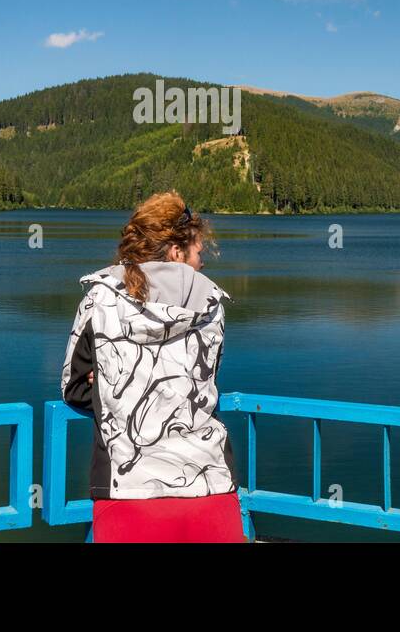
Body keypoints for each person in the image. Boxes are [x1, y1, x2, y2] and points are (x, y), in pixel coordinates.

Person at [60, 191, 244, 543]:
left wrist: (111, 385)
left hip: (128, 494)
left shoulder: (99, 300)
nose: (201, 263)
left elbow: (74, 388)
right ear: (176, 252)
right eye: (198, 252)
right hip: (210, 490)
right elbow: (204, 382)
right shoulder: (211, 305)